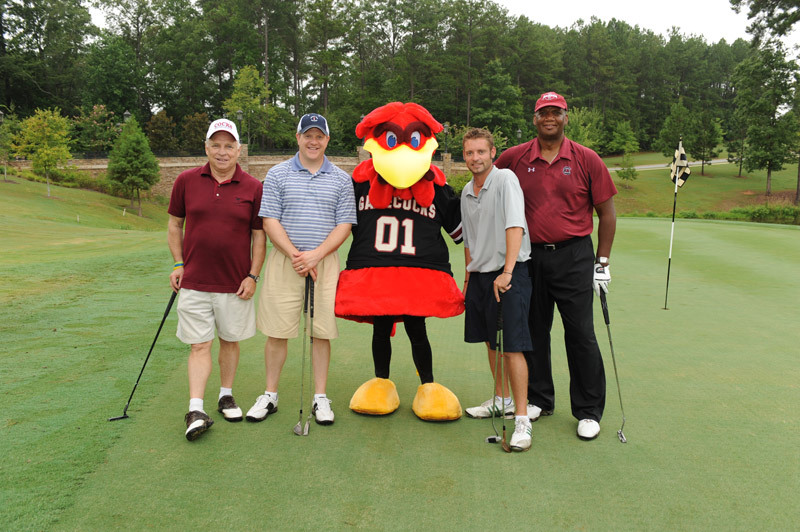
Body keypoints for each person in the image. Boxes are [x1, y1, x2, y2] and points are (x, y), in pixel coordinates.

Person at [495, 91, 617, 441]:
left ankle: (588, 410)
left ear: (566, 117)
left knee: (580, 333)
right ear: (534, 119)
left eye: (556, 112)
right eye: (543, 112)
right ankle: (539, 399)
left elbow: (606, 214)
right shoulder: (514, 157)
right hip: (530, 256)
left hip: (575, 254)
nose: (549, 117)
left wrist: (602, 262)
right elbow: (487, 184)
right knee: (534, 330)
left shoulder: (586, 158)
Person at [246, 113, 356, 426]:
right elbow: (269, 221)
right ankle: (270, 394)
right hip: (286, 261)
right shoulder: (278, 174)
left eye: (319, 136)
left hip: (324, 262)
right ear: (298, 138)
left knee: (321, 332)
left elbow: (344, 224)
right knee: (277, 330)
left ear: (327, 140)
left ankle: (320, 396)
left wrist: (315, 255)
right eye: (307, 135)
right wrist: (297, 255)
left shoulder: (341, 178)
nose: (313, 141)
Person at [168, 118, 266, 441]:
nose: (222, 152)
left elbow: (258, 237)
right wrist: (178, 263)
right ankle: (196, 408)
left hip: (235, 282)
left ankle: (226, 395)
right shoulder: (185, 181)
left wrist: (253, 275)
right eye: (216, 145)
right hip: (194, 281)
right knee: (199, 345)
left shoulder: (253, 187)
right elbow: (174, 225)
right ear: (206, 147)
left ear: (238, 149)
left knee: (230, 340)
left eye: (228, 145)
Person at [461, 128, 533, 451]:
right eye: (469, 153)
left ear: (493, 152)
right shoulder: (465, 191)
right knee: (491, 342)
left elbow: (514, 226)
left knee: (513, 346)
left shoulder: (506, 180)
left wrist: (507, 272)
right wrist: (468, 276)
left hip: (509, 272)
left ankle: (521, 419)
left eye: (480, 152)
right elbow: (469, 241)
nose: (475, 158)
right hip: (480, 276)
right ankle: (501, 399)